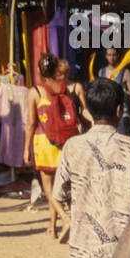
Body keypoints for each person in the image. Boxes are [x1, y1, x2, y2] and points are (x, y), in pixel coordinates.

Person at [53, 78, 130, 258]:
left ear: (90, 112)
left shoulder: (72, 146)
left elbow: (58, 194)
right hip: (119, 254)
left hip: (84, 250)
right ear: (118, 111)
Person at [24, 54, 83, 239]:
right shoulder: (65, 88)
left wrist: (26, 148)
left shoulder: (35, 91)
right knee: (60, 185)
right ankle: (52, 226)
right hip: (65, 141)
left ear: (39, 71)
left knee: (48, 188)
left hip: (44, 142)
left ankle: (65, 218)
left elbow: (31, 123)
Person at [99, 47, 130, 139]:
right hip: (106, 115)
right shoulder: (101, 72)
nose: (112, 58)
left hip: (121, 116)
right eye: (109, 55)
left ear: (117, 56)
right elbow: (99, 95)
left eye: (114, 55)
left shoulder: (125, 73)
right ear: (106, 56)